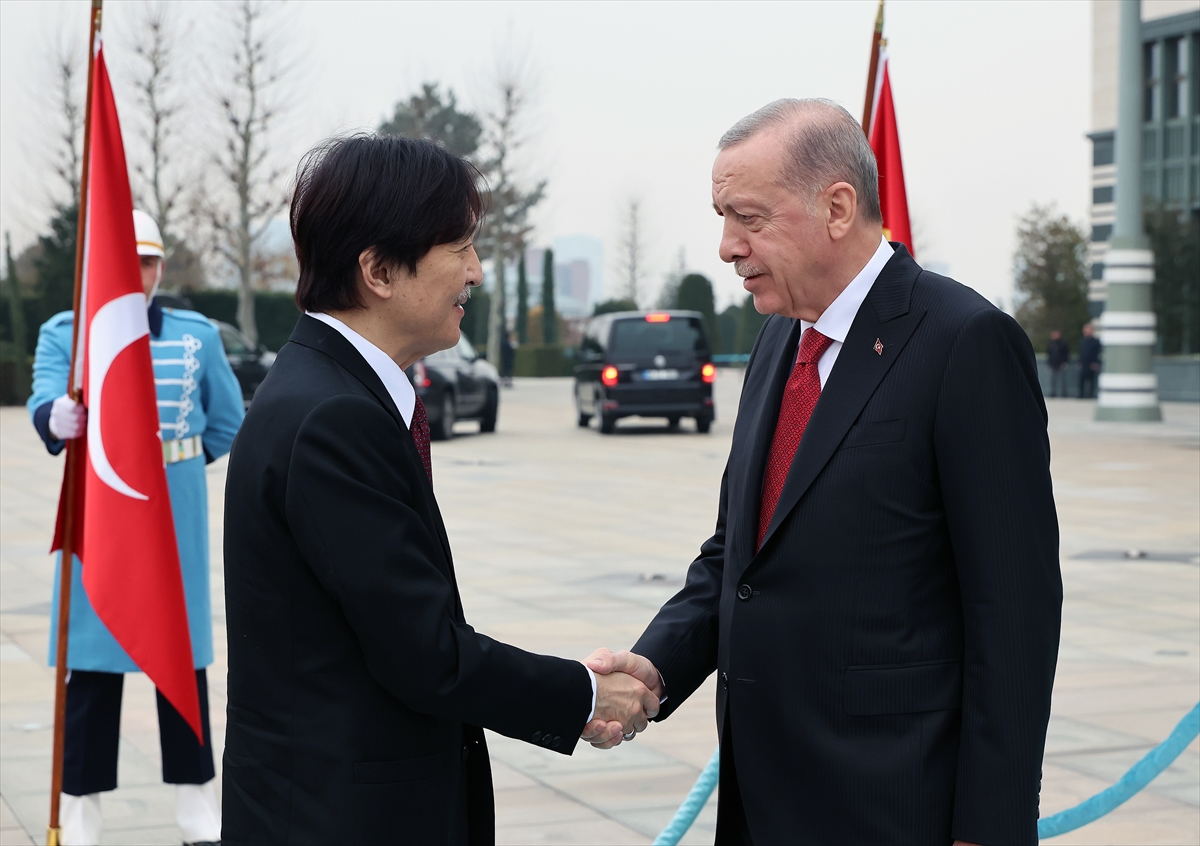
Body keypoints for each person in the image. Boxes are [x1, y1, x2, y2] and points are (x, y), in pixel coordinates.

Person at [582, 100, 1062, 846]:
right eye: (722, 218)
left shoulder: (964, 342)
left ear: (837, 208)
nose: (727, 247)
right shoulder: (779, 341)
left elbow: (1014, 610)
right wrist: (653, 666)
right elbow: (739, 557)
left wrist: (990, 826)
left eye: (748, 218)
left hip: (894, 805)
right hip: (762, 799)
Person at [220, 134, 657, 845]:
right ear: (379, 271)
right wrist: (583, 694)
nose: (475, 271)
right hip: (344, 819)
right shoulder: (334, 417)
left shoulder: (326, 390)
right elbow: (422, 653)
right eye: (460, 248)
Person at [27, 210, 245, 846]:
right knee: (91, 666)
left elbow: (227, 421)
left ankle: (197, 809)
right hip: (102, 511)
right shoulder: (66, 333)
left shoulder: (197, 336)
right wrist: (56, 417)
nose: (137, 272)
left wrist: (175, 467)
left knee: (181, 662)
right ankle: (80, 815)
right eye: (127, 259)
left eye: (148, 261)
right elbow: (44, 398)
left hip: (173, 513)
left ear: (160, 268)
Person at [1078, 321, 1101, 399]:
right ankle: (1081, 394)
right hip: (1084, 363)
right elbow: (1081, 352)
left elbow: (1096, 353)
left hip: (1091, 363)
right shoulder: (1082, 341)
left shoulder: (1095, 341)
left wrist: (1095, 362)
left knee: (1091, 380)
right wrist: (1080, 361)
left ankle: (1091, 395)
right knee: (1082, 379)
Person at [1047, 328, 1070, 397]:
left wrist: (1064, 362)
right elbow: (1049, 354)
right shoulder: (1051, 344)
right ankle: (1053, 392)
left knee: (1062, 380)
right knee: (1053, 380)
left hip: (1061, 364)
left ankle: (1064, 393)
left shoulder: (1063, 343)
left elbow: (1066, 353)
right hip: (1053, 364)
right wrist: (1049, 363)